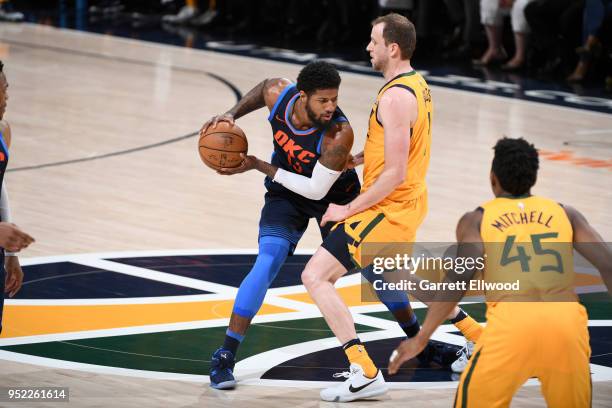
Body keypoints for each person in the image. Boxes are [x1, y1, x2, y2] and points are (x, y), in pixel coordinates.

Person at [389, 137, 612, 407]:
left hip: (511, 327)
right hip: (566, 326)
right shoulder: (566, 213)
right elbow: (608, 265)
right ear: (534, 178)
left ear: (493, 178)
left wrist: (422, 337)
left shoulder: (477, 220)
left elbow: (457, 281)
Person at [298, 13, 447, 402]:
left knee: (315, 277)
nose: (368, 47)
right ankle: (477, 339)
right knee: (397, 277)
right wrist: (359, 159)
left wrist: (347, 211)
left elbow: (395, 173)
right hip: (405, 201)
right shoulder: (415, 84)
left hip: (390, 206)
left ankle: (364, 371)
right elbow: (400, 152)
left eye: (374, 41)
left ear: (392, 48)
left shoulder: (395, 96)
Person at [0, 61, 36, 334]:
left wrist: (10, 252)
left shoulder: (3, 130)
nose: (6, 96)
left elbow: (0, 185)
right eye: (1, 90)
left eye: (7, 88)